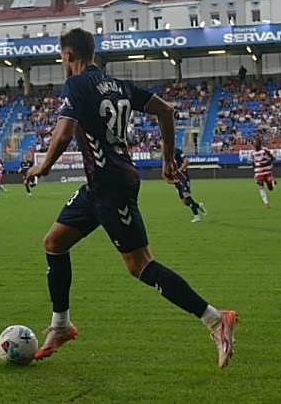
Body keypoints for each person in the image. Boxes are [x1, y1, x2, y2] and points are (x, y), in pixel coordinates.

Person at [25, 28, 238, 369]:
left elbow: (64, 132)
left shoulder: (76, 85)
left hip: (112, 186)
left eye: (61, 57)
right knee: (54, 242)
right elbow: (166, 110)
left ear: (68, 56)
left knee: (141, 266)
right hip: (101, 185)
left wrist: (42, 166)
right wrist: (167, 160)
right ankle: (61, 325)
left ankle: (216, 320)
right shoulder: (119, 86)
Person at [172, 148, 207, 222]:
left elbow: (187, 161)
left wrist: (180, 170)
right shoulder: (166, 154)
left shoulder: (177, 151)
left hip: (183, 177)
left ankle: (196, 216)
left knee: (186, 195)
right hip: (176, 179)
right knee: (185, 201)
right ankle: (198, 205)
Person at [251, 138, 275, 209]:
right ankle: (266, 204)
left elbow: (272, 158)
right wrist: (255, 168)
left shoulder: (265, 150)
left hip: (267, 171)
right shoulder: (252, 153)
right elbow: (253, 162)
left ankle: (272, 181)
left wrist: (269, 163)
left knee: (270, 188)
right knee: (260, 186)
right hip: (258, 172)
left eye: (256, 144)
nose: (255, 145)